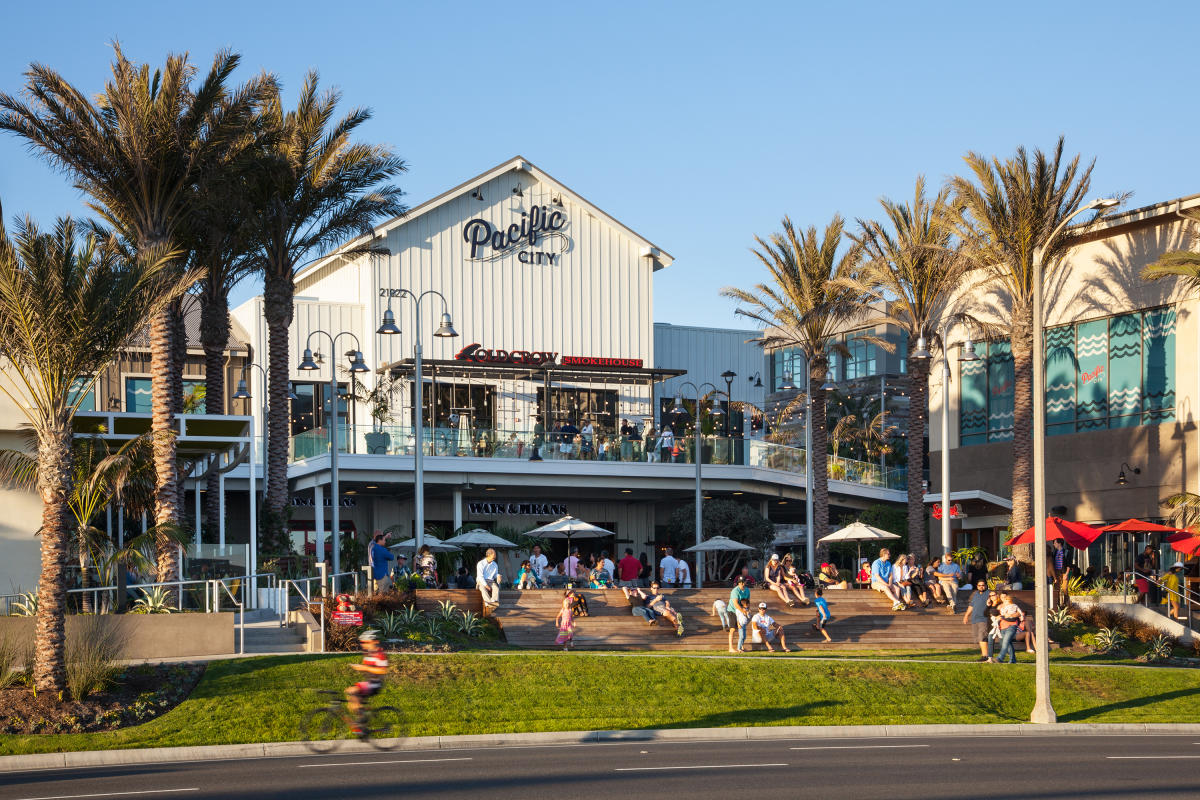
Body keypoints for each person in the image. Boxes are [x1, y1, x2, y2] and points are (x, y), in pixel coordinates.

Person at [345, 629, 388, 732]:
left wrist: (364, 668)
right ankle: (362, 722)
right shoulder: (369, 654)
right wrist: (360, 667)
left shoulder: (380, 654)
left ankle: (360, 723)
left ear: (374, 642)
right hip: (369, 683)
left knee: (352, 691)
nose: (363, 644)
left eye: (366, 642)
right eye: (362, 642)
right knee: (351, 699)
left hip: (375, 684)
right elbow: (368, 667)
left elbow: (383, 671)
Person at [962, 580, 993, 662]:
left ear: (985, 586)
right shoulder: (975, 594)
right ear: (977, 586)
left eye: (983, 585)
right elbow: (971, 606)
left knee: (982, 637)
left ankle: (986, 656)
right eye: (979, 585)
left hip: (984, 619)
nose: (981, 586)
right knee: (979, 638)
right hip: (974, 619)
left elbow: (995, 598)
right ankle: (984, 655)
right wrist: (966, 616)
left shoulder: (989, 593)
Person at [994, 591, 1025, 664]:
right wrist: (997, 616)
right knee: (1006, 643)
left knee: (1006, 642)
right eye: (1002, 597)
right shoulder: (999, 606)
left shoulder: (1013, 605)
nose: (1004, 599)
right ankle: (1012, 659)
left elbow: (1019, 613)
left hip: (1011, 626)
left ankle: (1000, 658)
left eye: (1005, 597)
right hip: (1002, 627)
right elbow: (994, 614)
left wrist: (1011, 615)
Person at [727, 576, 752, 652]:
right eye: (744, 582)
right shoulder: (735, 591)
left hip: (742, 610)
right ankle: (730, 648)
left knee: (741, 628)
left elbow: (747, 601)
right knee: (733, 629)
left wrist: (747, 609)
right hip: (733, 610)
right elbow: (736, 604)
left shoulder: (747, 590)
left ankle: (741, 646)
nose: (745, 583)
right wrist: (743, 611)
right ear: (740, 583)